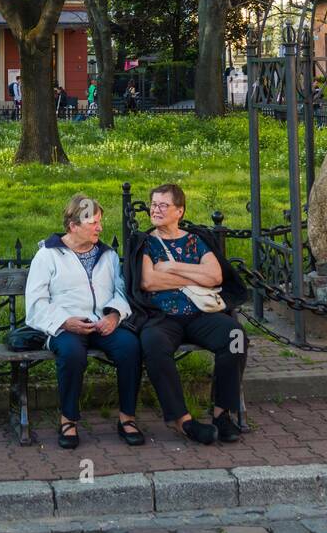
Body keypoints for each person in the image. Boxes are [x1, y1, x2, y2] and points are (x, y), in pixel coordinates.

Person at [123, 182, 248, 445]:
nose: (155, 210)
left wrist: (171, 267)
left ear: (179, 211)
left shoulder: (196, 240)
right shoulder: (145, 242)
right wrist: (192, 278)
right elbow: (149, 282)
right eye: (153, 205)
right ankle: (182, 420)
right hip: (161, 316)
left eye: (162, 205)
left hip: (200, 315)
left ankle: (222, 413)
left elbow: (215, 276)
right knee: (153, 344)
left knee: (236, 337)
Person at [25, 194, 145, 450]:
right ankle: (68, 420)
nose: (100, 228)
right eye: (93, 223)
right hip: (65, 325)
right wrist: (65, 321)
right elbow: (35, 303)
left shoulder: (108, 255)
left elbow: (120, 292)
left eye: (100, 222)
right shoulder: (48, 255)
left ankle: (127, 418)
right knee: (71, 352)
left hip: (103, 324)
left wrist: (114, 315)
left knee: (130, 346)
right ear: (73, 226)